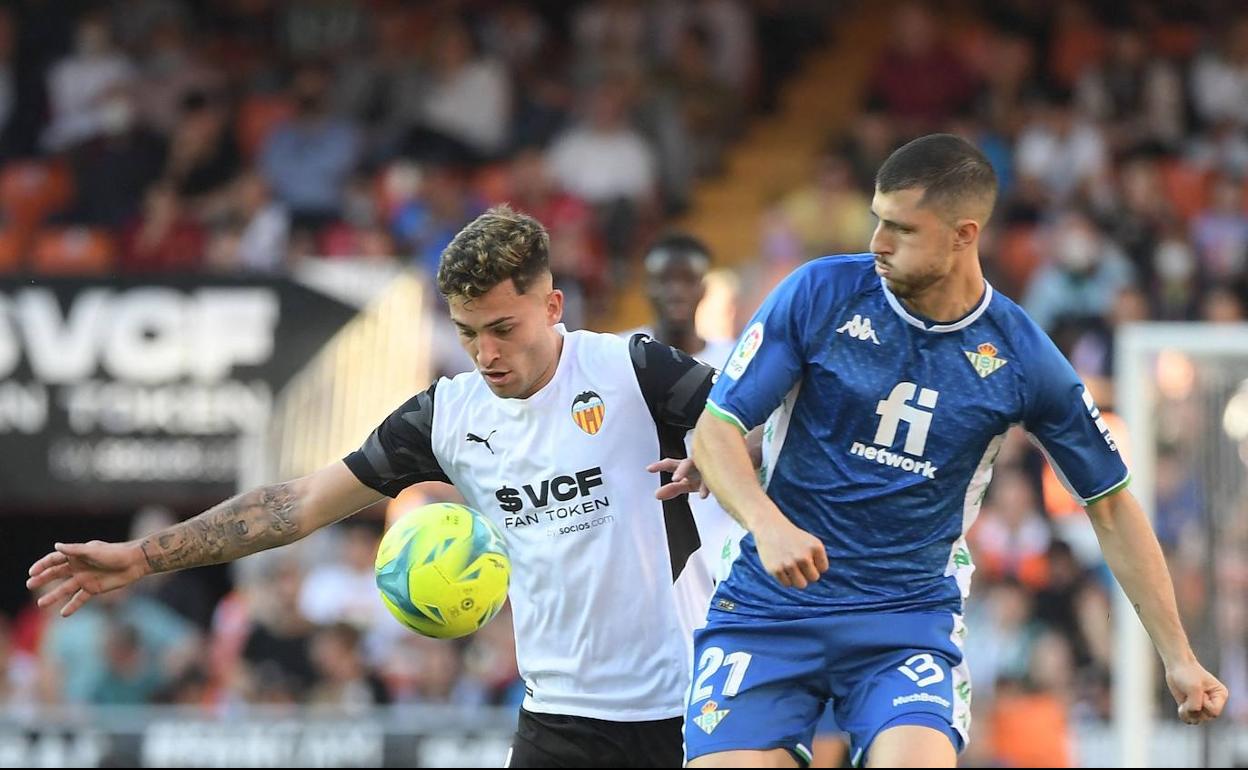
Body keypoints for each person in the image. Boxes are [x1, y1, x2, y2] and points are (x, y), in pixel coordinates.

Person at [27, 205, 719, 768]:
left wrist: (716, 455)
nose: (487, 355)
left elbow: (765, 420)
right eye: (468, 333)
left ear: (552, 305)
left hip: (685, 706)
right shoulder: (447, 415)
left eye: (503, 329)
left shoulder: (632, 369)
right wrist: (144, 556)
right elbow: (295, 505)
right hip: (561, 721)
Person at [679, 134, 1227, 767]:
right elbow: (715, 432)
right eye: (877, 221)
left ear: (964, 234)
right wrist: (768, 525)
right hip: (770, 608)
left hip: (904, 620)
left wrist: (1179, 657)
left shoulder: (1019, 355)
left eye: (903, 230)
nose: (878, 243)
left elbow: (1110, 506)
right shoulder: (820, 294)